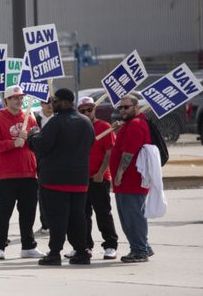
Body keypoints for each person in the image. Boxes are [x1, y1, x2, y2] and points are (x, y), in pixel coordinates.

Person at [27, 88, 95, 266]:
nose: (52, 104)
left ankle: (55, 252)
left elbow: (42, 145)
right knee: (77, 217)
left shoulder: (57, 122)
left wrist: (32, 136)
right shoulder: (86, 121)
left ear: (65, 102)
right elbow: (90, 144)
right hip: (79, 179)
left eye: (55, 100)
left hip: (56, 180)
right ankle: (82, 251)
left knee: (57, 218)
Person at [0, 85, 44, 260]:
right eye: (15, 98)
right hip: (6, 174)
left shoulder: (30, 117)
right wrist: (12, 144)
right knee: (4, 213)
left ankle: (28, 246)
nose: (19, 101)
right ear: (6, 101)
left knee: (28, 212)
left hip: (28, 172)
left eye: (21, 98)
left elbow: (38, 143)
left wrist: (33, 139)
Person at [61, 96, 119, 260]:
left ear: (95, 109)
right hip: (79, 179)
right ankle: (83, 246)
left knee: (103, 213)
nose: (87, 112)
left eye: (90, 109)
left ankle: (110, 245)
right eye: (83, 110)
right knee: (81, 215)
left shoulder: (104, 127)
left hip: (99, 178)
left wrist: (101, 173)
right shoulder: (76, 127)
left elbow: (109, 152)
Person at [110, 94, 153, 263]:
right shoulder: (130, 124)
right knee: (131, 216)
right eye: (120, 107)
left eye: (126, 107)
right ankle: (143, 247)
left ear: (136, 107)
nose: (122, 110)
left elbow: (128, 154)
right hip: (126, 183)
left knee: (132, 218)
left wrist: (119, 174)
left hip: (131, 181)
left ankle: (139, 250)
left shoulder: (136, 124)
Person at [35, 98, 54, 236]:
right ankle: (45, 223)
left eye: (52, 103)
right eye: (47, 103)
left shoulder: (59, 119)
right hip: (39, 160)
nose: (50, 106)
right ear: (41, 104)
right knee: (42, 193)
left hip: (56, 161)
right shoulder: (34, 118)